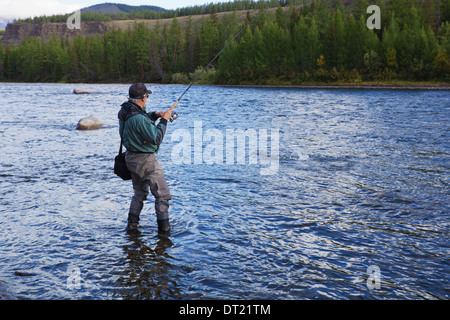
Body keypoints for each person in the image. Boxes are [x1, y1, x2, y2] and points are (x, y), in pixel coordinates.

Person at [118, 83, 173, 234]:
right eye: (146, 96)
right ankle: (164, 230)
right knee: (163, 195)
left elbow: (141, 120)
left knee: (139, 193)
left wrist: (156, 114)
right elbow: (156, 138)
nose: (147, 99)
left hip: (131, 158)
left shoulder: (125, 110)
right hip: (146, 161)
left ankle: (132, 225)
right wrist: (164, 120)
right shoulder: (138, 118)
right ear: (142, 98)